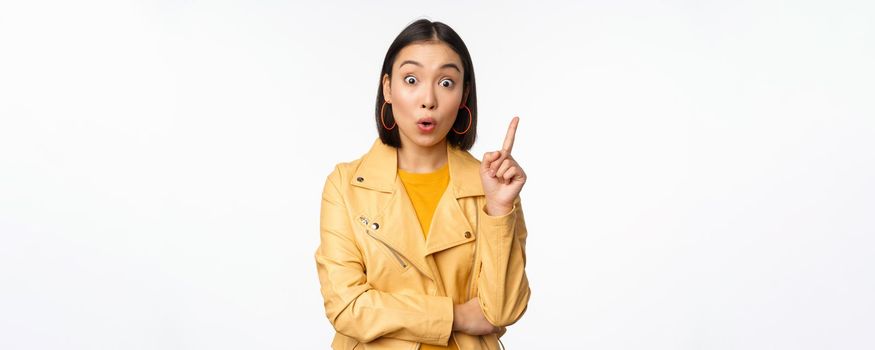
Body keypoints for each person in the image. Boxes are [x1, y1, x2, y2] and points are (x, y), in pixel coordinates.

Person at [315, 18, 530, 350]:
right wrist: (454, 317)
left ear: (464, 95)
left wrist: (500, 209)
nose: (428, 99)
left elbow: (502, 310)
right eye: (411, 79)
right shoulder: (346, 186)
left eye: (446, 82)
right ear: (388, 88)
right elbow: (347, 307)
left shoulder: (490, 186)